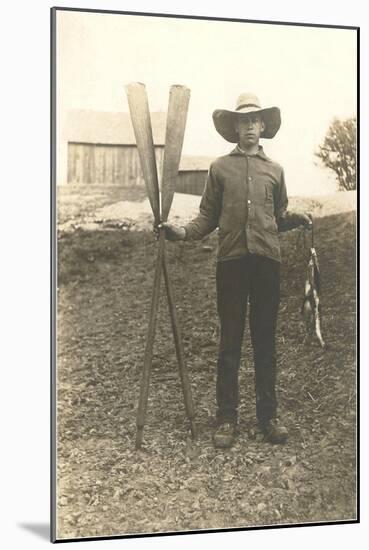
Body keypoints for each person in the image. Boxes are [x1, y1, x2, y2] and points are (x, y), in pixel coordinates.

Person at [159, 92, 312, 448]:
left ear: (262, 126)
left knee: (264, 341)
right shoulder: (219, 168)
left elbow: (277, 216)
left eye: (254, 122)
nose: (249, 128)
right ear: (235, 127)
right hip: (231, 263)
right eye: (242, 122)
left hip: (266, 263)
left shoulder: (275, 170)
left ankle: (268, 417)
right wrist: (179, 233)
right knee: (230, 341)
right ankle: (226, 419)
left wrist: (297, 218)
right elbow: (206, 218)